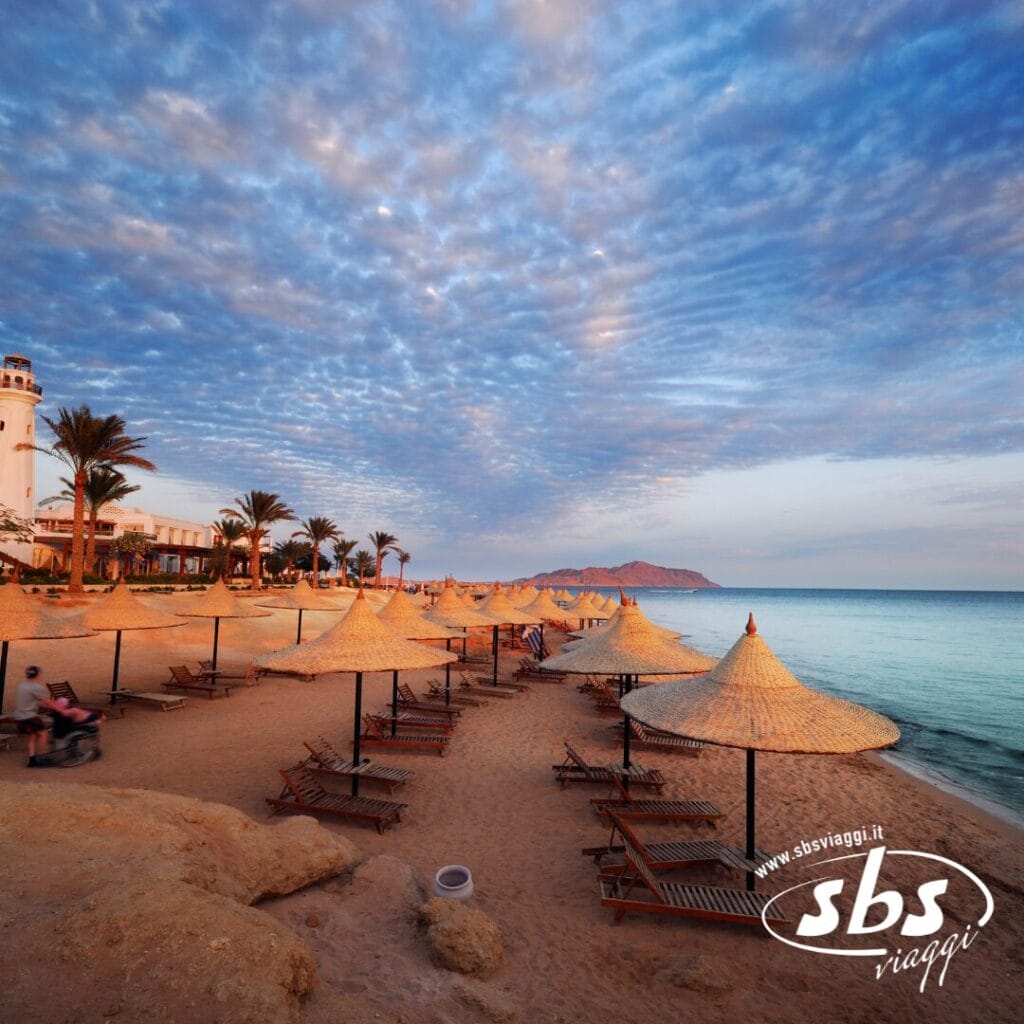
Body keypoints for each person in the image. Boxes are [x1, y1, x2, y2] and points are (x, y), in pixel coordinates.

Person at [14, 665, 59, 767]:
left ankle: (32, 760)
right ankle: (43, 757)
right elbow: (47, 702)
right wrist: (60, 709)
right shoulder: (36, 687)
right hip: (29, 716)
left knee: (33, 736)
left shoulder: (22, 685)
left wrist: (43, 705)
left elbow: (33, 701)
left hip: (19, 716)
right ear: (38, 675)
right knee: (43, 734)